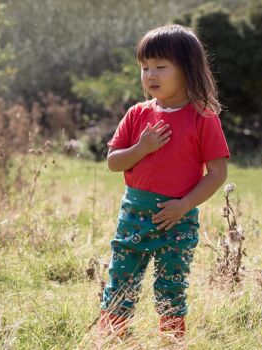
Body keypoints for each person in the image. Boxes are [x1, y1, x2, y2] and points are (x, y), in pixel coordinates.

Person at [98, 24, 230, 341]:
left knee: (171, 284)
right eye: (144, 67)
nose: (150, 75)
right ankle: (110, 339)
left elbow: (217, 174)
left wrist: (183, 206)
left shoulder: (203, 117)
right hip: (134, 216)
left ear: (186, 68)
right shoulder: (137, 114)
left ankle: (171, 342)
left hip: (178, 221)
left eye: (160, 66)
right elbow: (114, 162)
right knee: (121, 278)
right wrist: (141, 149)